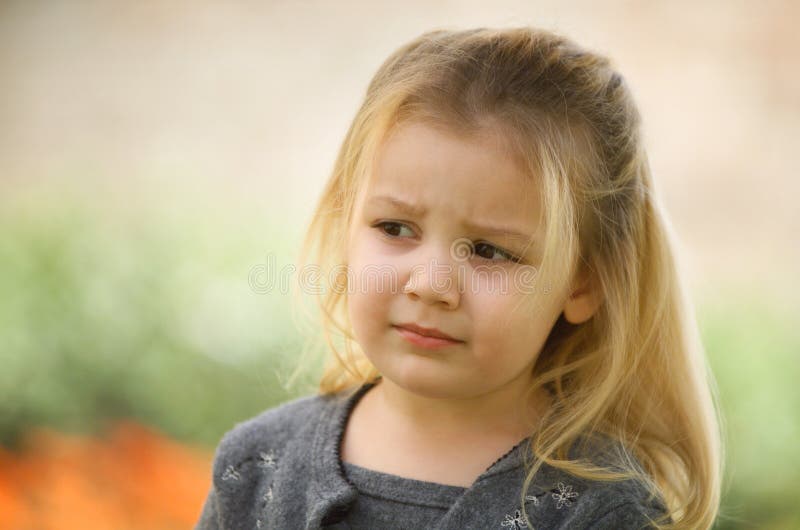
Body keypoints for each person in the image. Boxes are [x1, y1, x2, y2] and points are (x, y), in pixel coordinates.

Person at [194, 26, 723, 529]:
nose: (430, 284)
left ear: (581, 285)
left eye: (490, 251)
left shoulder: (603, 512)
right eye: (395, 227)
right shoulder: (257, 466)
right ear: (346, 225)